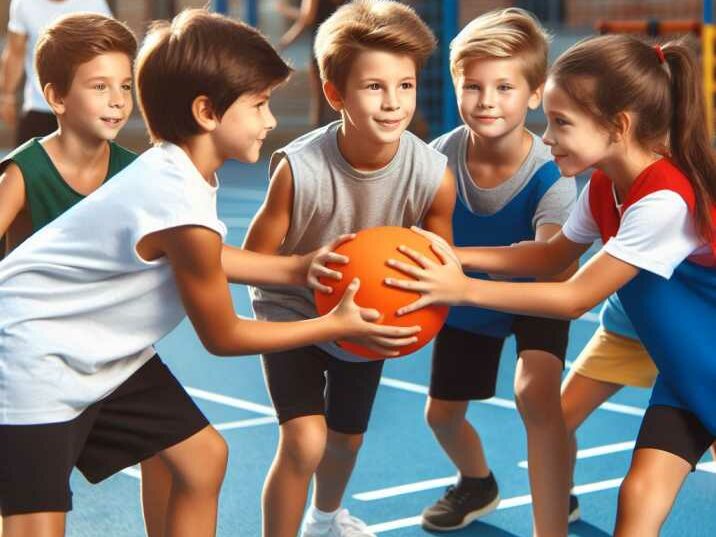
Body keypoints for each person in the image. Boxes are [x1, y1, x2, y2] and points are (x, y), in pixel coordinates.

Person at [0, 9, 420, 537]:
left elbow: (202, 253)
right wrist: (337, 325)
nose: (270, 121)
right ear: (206, 112)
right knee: (35, 527)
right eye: (260, 105)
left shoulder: (175, 171)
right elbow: (223, 335)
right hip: (31, 355)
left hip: (99, 351)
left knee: (202, 460)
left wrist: (295, 268)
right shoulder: (174, 194)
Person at [385, 34, 715, 537]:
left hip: (703, 355)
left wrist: (462, 288)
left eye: (561, 123)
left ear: (619, 126)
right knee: (640, 495)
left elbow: (573, 296)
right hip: (684, 363)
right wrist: (453, 256)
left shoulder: (665, 202)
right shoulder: (607, 184)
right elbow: (550, 254)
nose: (546, 137)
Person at [244, 2, 455, 535]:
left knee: (346, 439)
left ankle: (324, 517)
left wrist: (419, 310)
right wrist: (301, 269)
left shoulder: (432, 175)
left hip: (365, 318)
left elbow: (440, 270)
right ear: (335, 93)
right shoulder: (299, 170)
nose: (392, 103)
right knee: (303, 440)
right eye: (373, 87)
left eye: (404, 86)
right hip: (292, 315)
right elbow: (250, 262)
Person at [416, 9, 577, 534]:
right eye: (473, 85)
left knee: (535, 393)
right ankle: (477, 482)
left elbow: (549, 259)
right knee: (440, 417)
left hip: (535, 297)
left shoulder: (551, 174)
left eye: (505, 86)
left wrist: (461, 261)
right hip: (466, 300)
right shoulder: (437, 156)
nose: (487, 100)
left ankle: (553, 489)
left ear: (534, 94)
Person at [561, 292, 716, 521]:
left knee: (708, 417)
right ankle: (558, 498)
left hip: (695, 333)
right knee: (557, 420)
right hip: (628, 331)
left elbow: (577, 293)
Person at [0, 0, 112, 144]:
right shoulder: (24, 3)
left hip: (83, 108)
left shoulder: (93, 4)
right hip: (38, 104)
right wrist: (7, 95)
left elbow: (108, 53)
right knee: (24, 164)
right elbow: (15, 52)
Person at [277, 0, 343, 126]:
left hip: (322, 48)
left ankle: (321, 136)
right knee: (342, 98)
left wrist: (285, 10)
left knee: (321, 98)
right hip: (343, 45)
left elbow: (307, 17)